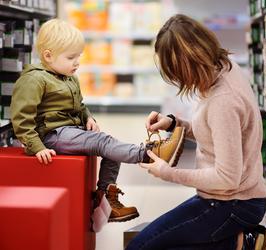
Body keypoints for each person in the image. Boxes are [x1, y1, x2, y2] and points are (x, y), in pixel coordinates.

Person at [10, 19, 185, 225]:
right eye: (71, 57)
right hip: (50, 136)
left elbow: (80, 105)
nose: (77, 63)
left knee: (111, 148)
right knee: (104, 142)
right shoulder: (34, 80)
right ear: (48, 56)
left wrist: (88, 118)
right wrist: (37, 146)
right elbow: (21, 118)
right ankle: (148, 153)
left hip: (69, 131)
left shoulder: (68, 77)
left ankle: (106, 202)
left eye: (79, 57)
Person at [126, 14, 266, 250]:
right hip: (228, 197)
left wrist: (168, 173)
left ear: (188, 64)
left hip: (234, 204)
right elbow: (215, 133)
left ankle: (241, 244)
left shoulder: (223, 100)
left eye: (176, 72)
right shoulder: (224, 67)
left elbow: (226, 178)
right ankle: (238, 242)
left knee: (140, 247)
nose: (178, 80)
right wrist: (174, 123)